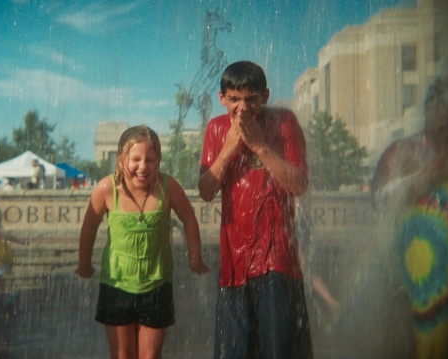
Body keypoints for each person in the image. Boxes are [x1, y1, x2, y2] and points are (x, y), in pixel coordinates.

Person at [198, 61, 313, 358]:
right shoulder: (216, 128)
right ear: (222, 97)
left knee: (279, 350)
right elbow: (206, 191)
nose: (242, 108)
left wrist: (261, 147)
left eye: (251, 99)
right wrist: (228, 149)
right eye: (234, 99)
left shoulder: (284, 121)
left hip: (277, 260)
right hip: (233, 264)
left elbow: (299, 185)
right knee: (232, 351)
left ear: (265, 96)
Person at [76, 125, 209, 359]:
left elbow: (189, 219)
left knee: (150, 357)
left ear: (159, 160)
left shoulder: (167, 187)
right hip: (116, 285)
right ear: (120, 160)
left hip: (157, 286)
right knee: (122, 355)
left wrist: (195, 258)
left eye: (150, 159)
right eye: (135, 159)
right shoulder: (107, 189)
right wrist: (84, 264)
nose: (143, 166)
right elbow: (89, 227)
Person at [371, 76, 448, 359]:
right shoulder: (404, 153)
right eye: (442, 126)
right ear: (428, 115)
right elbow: (380, 200)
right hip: (415, 305)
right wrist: (431, 173)